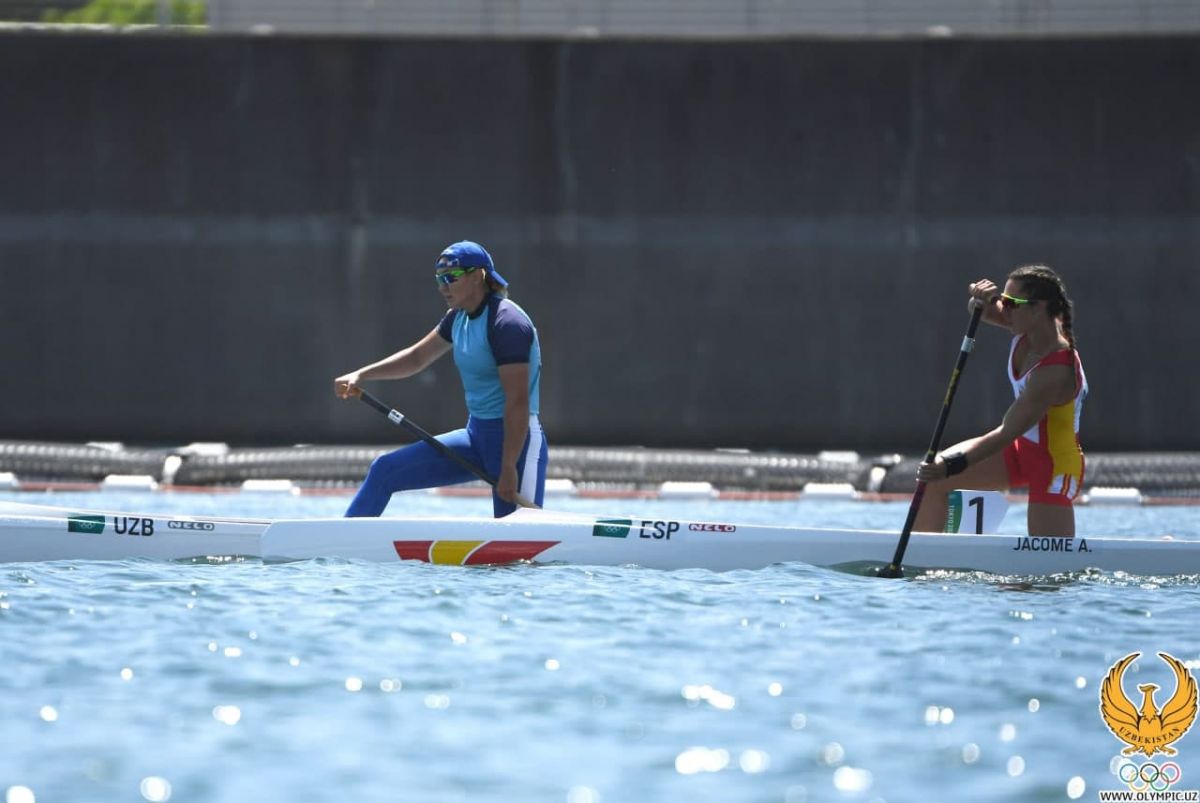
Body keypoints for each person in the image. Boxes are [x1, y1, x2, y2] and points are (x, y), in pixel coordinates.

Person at [333, 241, 547, 518]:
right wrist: (362, 374)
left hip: (516, 444)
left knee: (518, 551)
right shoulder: (457, 319)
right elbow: (416, 358)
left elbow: (518, 402)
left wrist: (507, 468)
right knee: (384, 471)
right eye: (438, 279)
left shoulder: (507, 324)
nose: (442, 287)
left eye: (450, 278)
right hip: (475, 438)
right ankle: (344, 545)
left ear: (477, 276)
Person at [915, 264, 1087, 536]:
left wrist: (952, 465)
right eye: (1003, 301)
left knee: (1050, 575)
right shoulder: (1026, 325)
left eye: (1011, 303)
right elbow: (978, 308)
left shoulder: (1056, 370)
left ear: (1038, 307)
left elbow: (1007, 431)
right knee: (933, 481)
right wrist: (980, 294)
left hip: (1054, 466)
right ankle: (922, 565)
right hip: (1020, 452)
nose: (1003, 309)